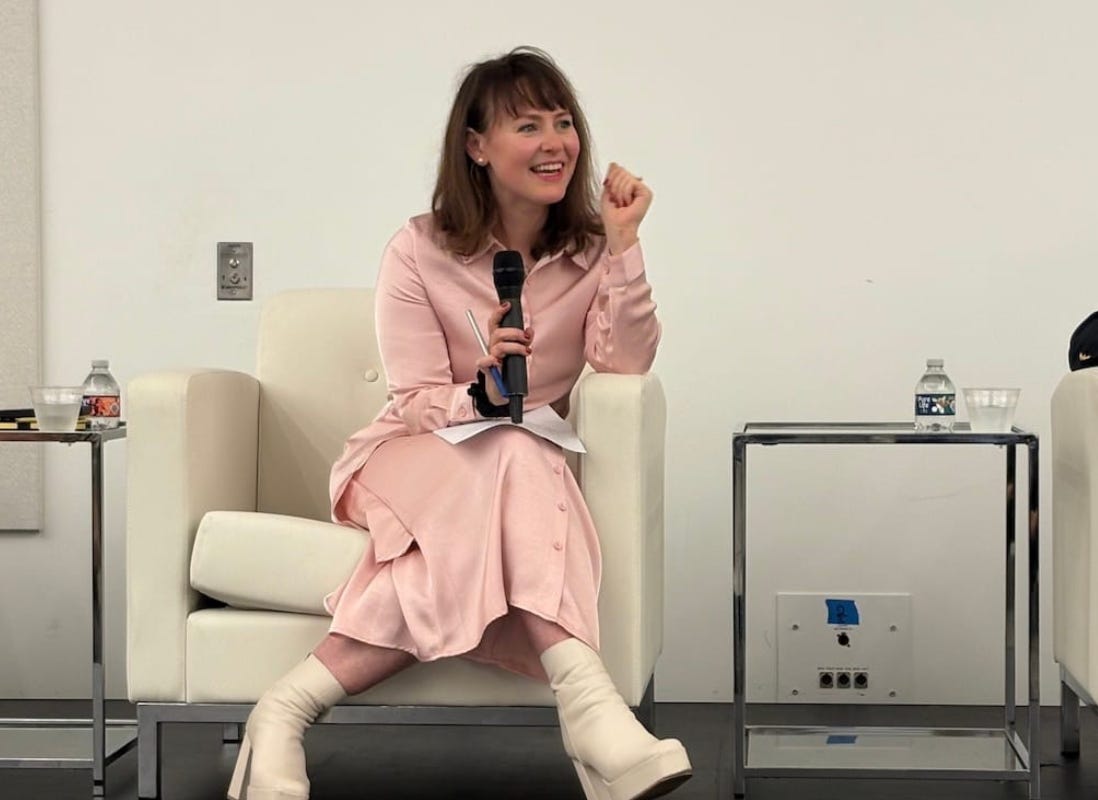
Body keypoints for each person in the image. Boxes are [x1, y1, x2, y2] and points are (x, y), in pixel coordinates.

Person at [227, 46, 691, 800]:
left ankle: (284, 710)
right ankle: (591, 711)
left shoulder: (590, 251)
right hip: (406, 458)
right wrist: (481, 395)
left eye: (563, 122)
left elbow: (625, 363)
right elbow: (414, 398)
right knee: (515, 443)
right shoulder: (418, 249)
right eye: (528, 126)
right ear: (477, 146)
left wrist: (625, 244)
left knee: (516, 449)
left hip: (514, 466)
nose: (555, 143)